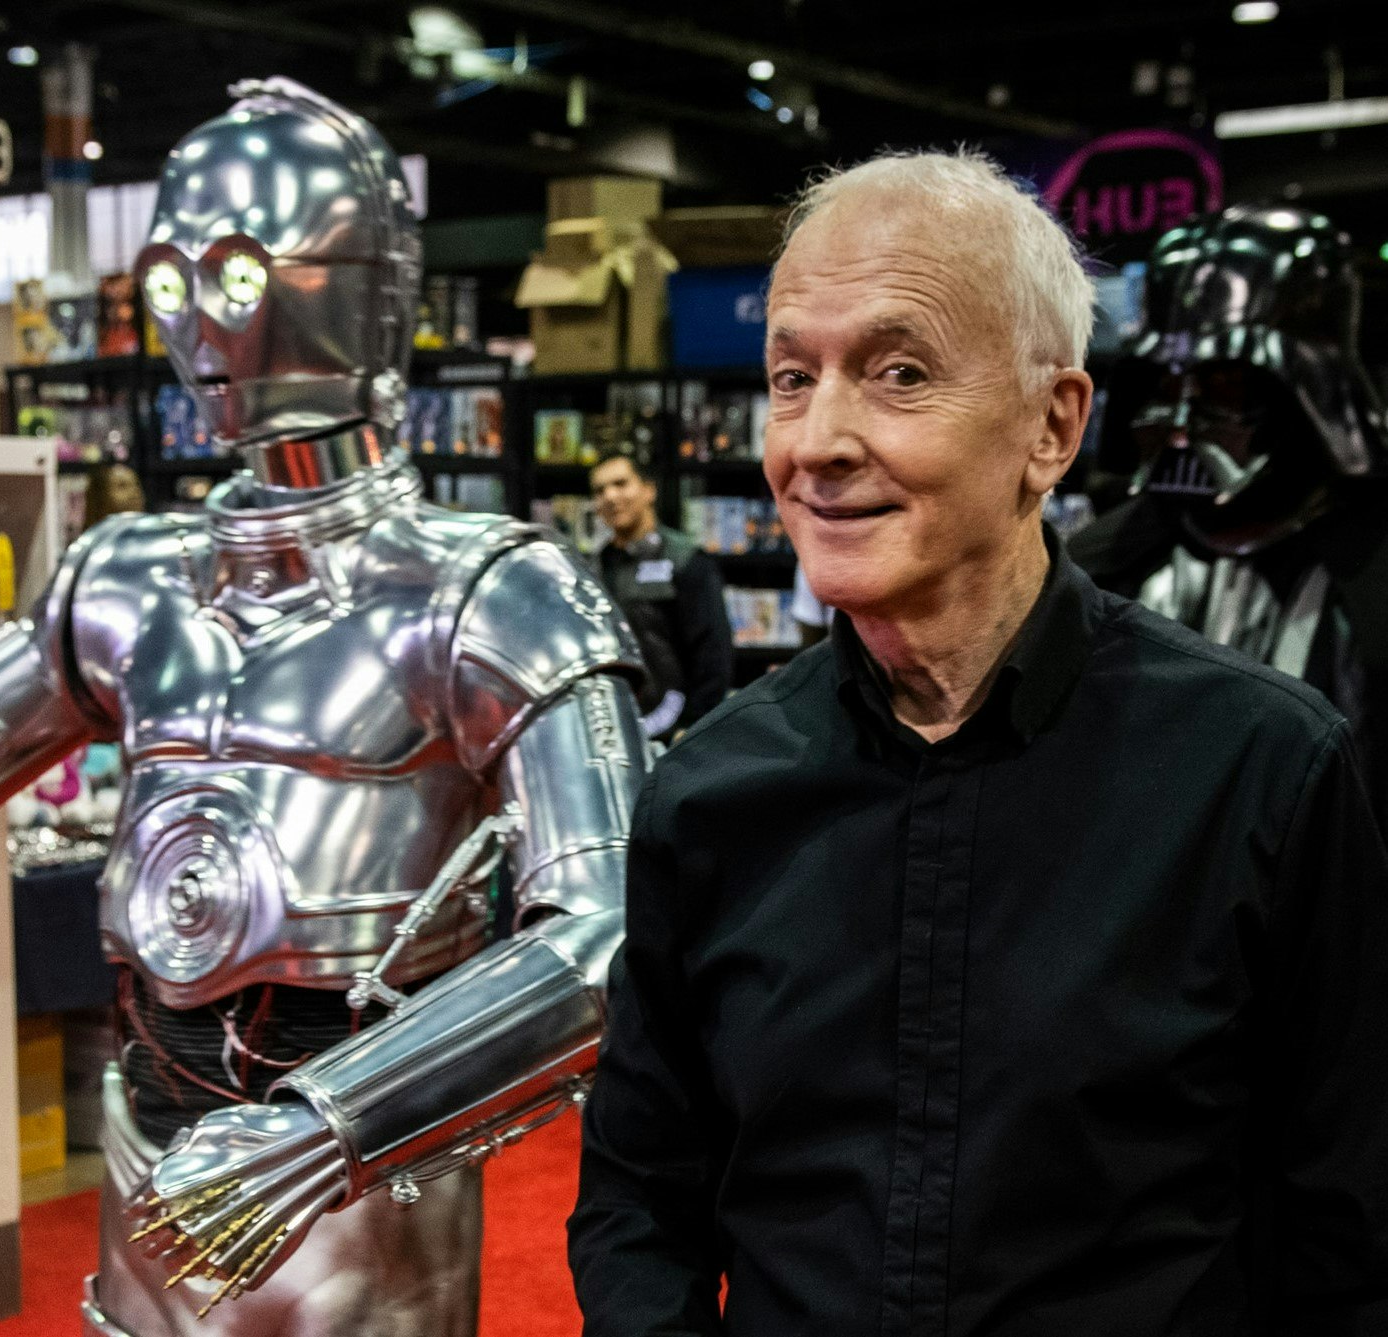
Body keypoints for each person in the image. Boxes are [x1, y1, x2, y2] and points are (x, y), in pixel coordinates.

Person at [568, 149, 1388, 1335]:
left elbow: (1347, 1234)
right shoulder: (709, 791)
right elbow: (639, 1198)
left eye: (897, 373)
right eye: (791, 377)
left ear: (1050, 427)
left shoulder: (1262, 772)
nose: (818, 442)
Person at [0, 78, 650, 1336]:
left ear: (361, 285)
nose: (205, 333)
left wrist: (324, 1129)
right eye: (169, 284)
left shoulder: (489, 587)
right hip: (146, 1151)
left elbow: (607, 930)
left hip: (358, 1181)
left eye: (236, 275)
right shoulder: (121, 576)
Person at [1069, 205, 1388, 825]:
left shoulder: (1372, 572)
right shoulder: (1100, 564)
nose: (1183, 429)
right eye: (1165, 385)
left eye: (1223, 390)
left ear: (1307, 392)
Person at [589, 451, 733, 738]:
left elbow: (713, 654)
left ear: (648, 490)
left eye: (620, 484)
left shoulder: (686, 560)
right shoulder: (595, 566)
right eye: (600, 490)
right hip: (615, 728)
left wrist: (694, 726)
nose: (610, 496)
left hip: (678, 730)